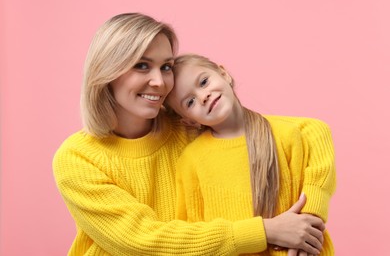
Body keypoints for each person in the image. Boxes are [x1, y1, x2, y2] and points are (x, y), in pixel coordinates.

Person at [53, 13, 327, 255]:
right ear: (107, 72)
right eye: (142, 65)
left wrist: (310, 212)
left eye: (166, 66)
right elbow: (139, 240)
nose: (159, 82)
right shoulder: (77, 158)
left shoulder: (187, 125)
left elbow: (305, 130)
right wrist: (264, 232)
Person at [165, 54, 337, 255]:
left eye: (204, 82)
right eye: (190, 102)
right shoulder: (191, 161)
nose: (203, 96)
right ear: (188, 121)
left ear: (224, 73)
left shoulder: (287, 136)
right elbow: (194, 230)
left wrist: (311, 219)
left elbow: (307, 204)